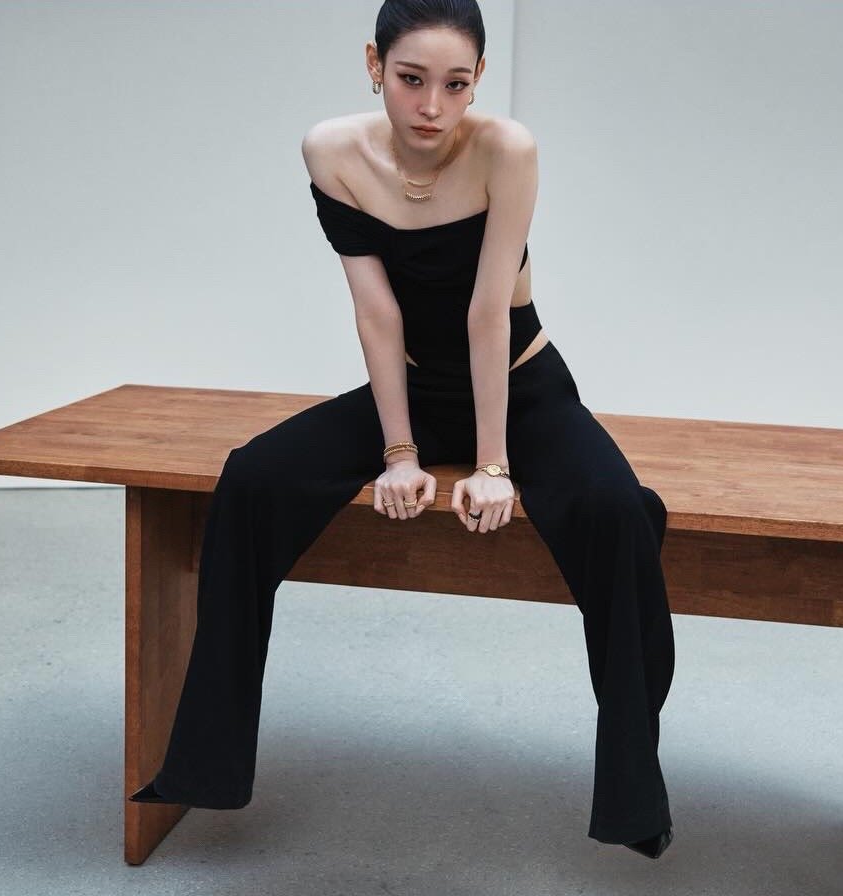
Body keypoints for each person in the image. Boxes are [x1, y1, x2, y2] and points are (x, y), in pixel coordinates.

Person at [130, 0, 675, 861]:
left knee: (617, 510)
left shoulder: (507, 151)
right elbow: (377, 311)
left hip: (522, 387)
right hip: (413, 388)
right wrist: (400, 452)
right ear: (374, 64)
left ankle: (634, 800)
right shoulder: (332, 151)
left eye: (455, 85)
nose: (431, 106)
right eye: (412, 79)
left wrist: (493, 465)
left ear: (479, 80)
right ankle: (204, 766)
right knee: (254, 476)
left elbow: (488, 315)